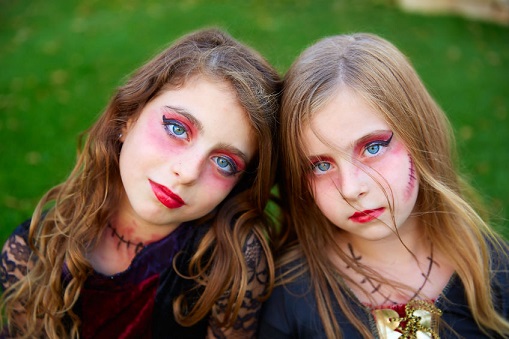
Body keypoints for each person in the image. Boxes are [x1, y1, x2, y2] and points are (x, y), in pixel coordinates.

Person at [0, 27, 281, 338]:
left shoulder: (232, 265)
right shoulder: (32, 252)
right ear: (128, 117)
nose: (187, 173)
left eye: (225, 162)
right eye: (176, 129)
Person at [259, 33, 509, 338]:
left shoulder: (494, 270)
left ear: (419, 134)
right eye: (321, 166)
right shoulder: (291, 294)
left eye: (373, 147)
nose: (351, 189)